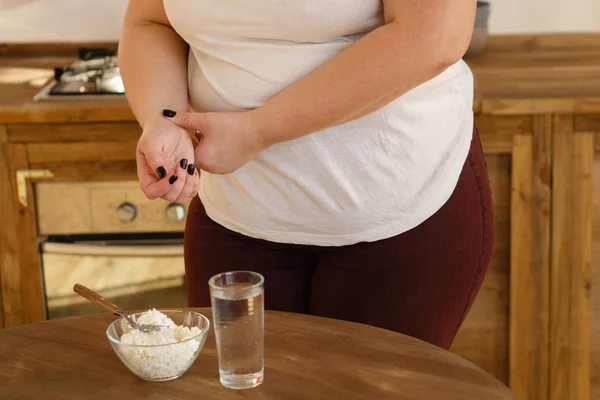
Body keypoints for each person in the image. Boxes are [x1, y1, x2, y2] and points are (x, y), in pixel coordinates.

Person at [119, 0, 493, 350]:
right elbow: (151, 21)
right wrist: (162, 118)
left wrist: (256, 131)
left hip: (395, 215)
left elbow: (436, 35)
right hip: (235, 212)